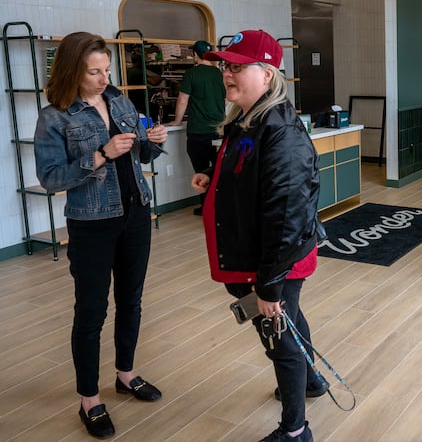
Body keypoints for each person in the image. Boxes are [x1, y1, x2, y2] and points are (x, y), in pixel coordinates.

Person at [191, 30, 325, 442]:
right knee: (291, 323)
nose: (227, 75)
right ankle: (310, 382)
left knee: (278, 337)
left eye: (237, 67)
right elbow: (250, 178)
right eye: (225, 66)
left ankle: (295, 429)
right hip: (256, 258)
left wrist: (268, 284)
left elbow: (286, 213)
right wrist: (213, 178)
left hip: (272, 263)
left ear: (267, 74)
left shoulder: (280, 131)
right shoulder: (248, 121)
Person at [34, 32, 168, 439]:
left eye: (106, 70)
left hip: (136, 215)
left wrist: (153, 143)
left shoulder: (120, 101)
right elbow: (51, 178)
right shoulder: (54, 116)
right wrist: (101, 154)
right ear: (73, 70)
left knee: (132, 300)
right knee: (91, 311)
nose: (103, 78)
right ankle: (89, 399)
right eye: (94, 72)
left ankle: (125, 374)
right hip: (91, 223)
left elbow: (141, 153)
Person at [166, 40, 226, 215]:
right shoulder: (220, 74)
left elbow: (183, 99)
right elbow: (226, 99)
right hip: (219, 130)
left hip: (198, 131)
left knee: (201, 171)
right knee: (217, 169)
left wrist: (177, 121)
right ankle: (219, 207)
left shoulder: (191, 74)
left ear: (194, 55)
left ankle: (206, 207)